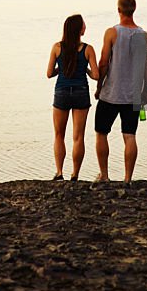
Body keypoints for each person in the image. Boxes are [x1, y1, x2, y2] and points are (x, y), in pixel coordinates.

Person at [94, 0, 147, 183]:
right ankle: (128, 179)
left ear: (118, 10)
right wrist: (146, 91)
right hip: (133, 94)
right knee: (130, 135)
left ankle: (105, 175)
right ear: (134, 9)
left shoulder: (112, 32)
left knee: (102, 133)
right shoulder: (144, 35)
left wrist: (99, 85)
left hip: (111, 93)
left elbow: (103, 62)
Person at [45, 14, 99, 181]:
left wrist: (61, 70)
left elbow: (49, 74)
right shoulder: (87, 49)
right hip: (81, 92)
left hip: (61, 91)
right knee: (78, 136)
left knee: (59, 135)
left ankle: (59, 172)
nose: (85, 27)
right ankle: (75, 174)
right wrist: (86, 71)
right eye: (83, 25)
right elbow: (96, 75)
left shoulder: (57, 47)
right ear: (79, 29)